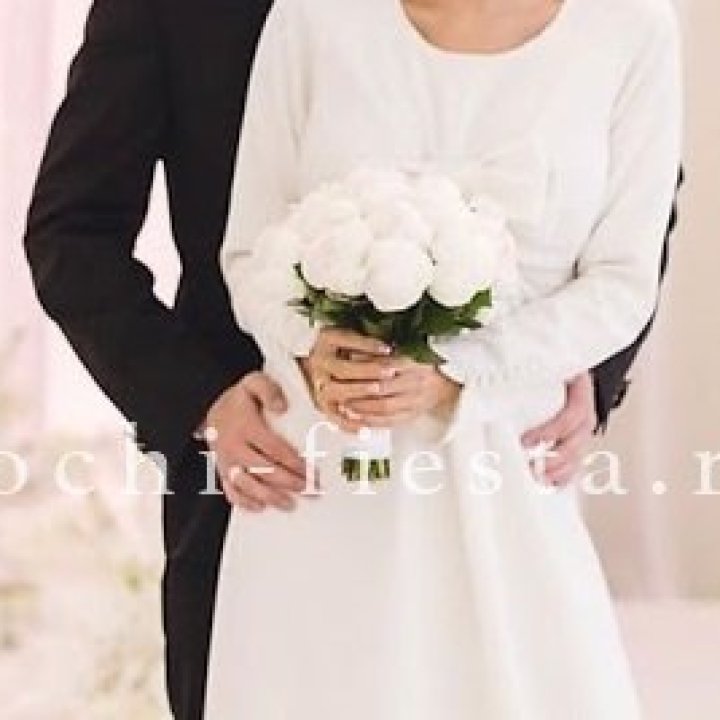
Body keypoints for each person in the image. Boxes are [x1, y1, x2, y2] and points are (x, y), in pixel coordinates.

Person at [21, 0, 679, 717]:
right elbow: (74, 234)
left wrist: (571, 369)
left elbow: (629, 209)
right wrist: (201, 401)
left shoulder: (623, 30)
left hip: (507, 460)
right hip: (268, 468)